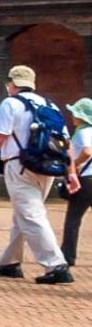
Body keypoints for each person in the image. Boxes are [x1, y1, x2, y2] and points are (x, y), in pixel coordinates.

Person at [0, 65, 72, 284]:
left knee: (31, 214)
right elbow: (65, 142)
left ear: (13, 84)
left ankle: (56, 265)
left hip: (20, 165)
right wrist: (69, 170)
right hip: (48, 165)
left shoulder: (11, 103)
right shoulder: (49, 104)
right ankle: (9, 263)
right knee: (25, 213)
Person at [61, 99, 92, 267]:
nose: (73, 117)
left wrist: (77, 165)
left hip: (86, 179)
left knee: (73, 220)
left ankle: (67, 256)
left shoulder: (82, 132)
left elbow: (87, 151)